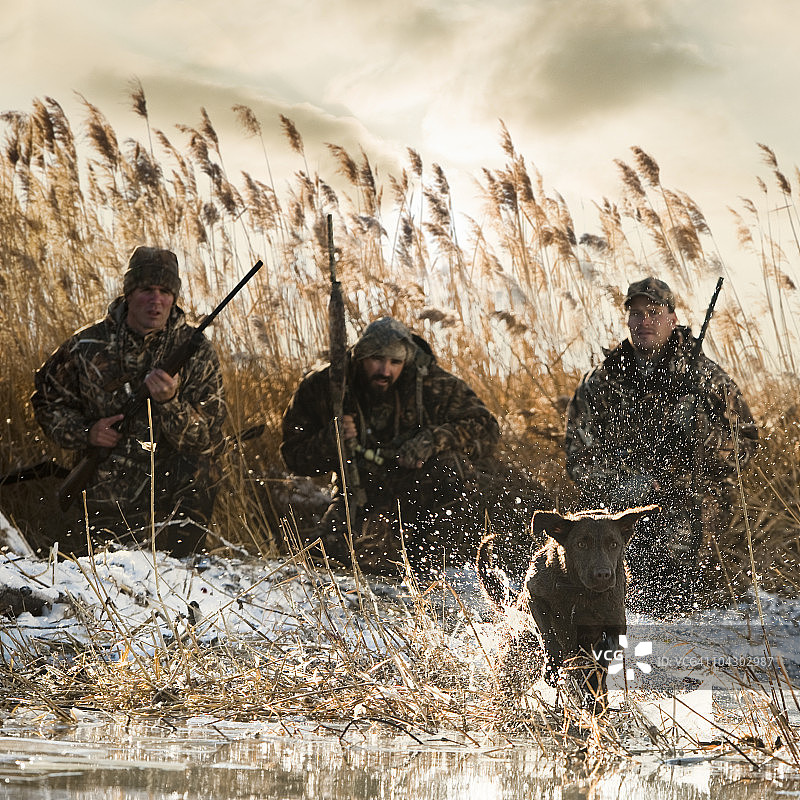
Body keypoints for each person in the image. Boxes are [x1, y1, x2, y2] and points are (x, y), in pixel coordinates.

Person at [564, 277, 758, 612]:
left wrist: (705, 437)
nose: (645, 321)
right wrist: (622, 484)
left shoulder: (706, 378)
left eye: (654, 312)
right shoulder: (601, 381)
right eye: (636, 314)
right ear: (627, 320)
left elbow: (748, 447)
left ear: (672, 318)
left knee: (683, 594)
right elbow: (577, 459)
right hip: (621, 503)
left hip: (690, 503)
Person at [31, 246, 226, 556]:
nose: (156, 300)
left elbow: (207, 439)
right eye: (147, 289)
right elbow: (46, 403)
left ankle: (185, 563)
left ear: (174, 297)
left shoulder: (196, 350)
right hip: (106, 487)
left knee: (201, 467)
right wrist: (86, 432)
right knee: (107, 575)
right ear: (129, 293)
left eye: (165, 291)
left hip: (167, 493)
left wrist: (170, 402)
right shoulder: (86, 345)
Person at [280, 316, 501, 578]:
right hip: (358, 493)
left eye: (395, 362)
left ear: (405, 361)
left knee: (452, 470)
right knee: (324, 562)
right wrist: (330, 441)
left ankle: (439, 564)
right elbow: (293, 456)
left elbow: (487, 427)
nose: (385, 370)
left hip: (419, 488)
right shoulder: (325, 386)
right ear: (360, 356)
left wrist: (433, 440)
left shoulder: (431, 383)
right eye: (376, 359)